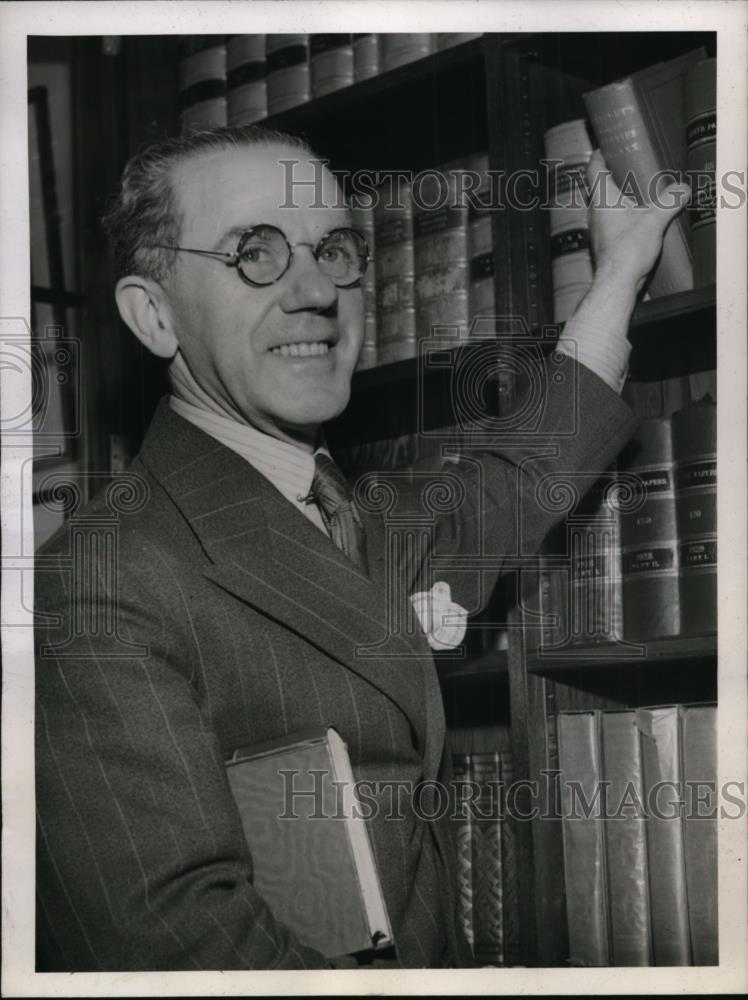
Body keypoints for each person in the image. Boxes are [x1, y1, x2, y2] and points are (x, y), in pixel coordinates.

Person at [34, 125, 689, 970]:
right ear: (153, 314)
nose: (314, 291)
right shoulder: (99, 583)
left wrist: (618, 274)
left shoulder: (360, 512)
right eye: (255, 254)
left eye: (334, 249)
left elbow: (519, 476)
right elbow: (177, 949)